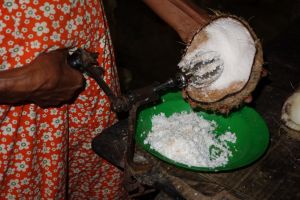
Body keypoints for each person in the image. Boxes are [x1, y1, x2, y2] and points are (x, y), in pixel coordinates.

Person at [0, 0, 253, 199]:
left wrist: (198, 26)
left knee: (90, 175)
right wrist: (17, 83)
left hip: (82, 62)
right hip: (17, 106)